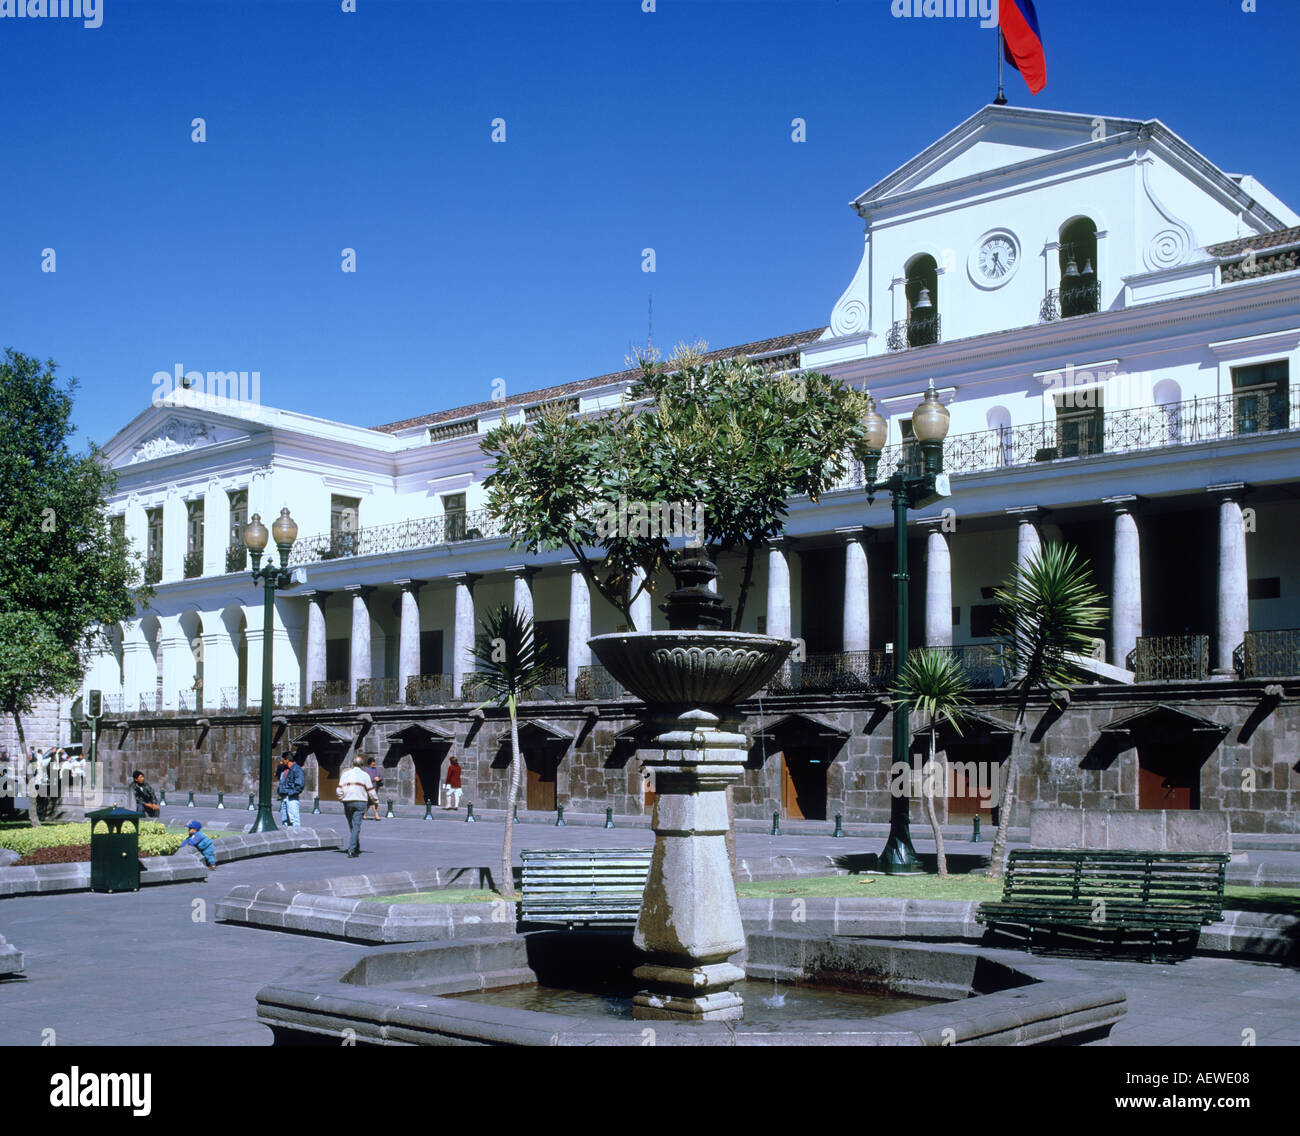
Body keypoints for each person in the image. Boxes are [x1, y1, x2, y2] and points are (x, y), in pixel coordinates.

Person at [337, 755, 376, 858]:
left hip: (348, 802)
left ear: (352, 764)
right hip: (360, 802)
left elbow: (339, 789)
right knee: (356, 826)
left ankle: (356, 846)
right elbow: (371, 791)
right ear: (362, 765)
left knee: (352, 825)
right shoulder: (365, 775)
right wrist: (376, 801)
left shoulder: (345, 774)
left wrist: (342, 798)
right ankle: (352, 849)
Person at [278, 753, 305, 828]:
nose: (282, 761)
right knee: (285, 819)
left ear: (287, 760)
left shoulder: (297, 769)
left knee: (294, 819)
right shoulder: (285, 769)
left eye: (283, 759)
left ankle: (296, 835)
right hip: (284, 796)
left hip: (291, 797)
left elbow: (300, 785)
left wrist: (290, 793)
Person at [364, 757, 383, 821]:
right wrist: (373, 779)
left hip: (375, 788)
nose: (374, 764)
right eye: (372, 763)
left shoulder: (376, 769)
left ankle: (364, 814)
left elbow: (381, 776)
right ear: (369, 763)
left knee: (369, 803)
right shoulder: (365, 770)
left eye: (374, 763)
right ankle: (377, 815)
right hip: (368, 788)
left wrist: (379, 778)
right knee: (374, 802)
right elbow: (365, 779)